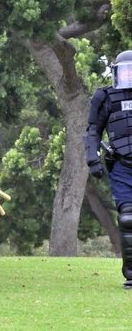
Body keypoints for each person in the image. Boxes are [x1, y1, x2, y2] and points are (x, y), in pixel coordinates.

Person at [84, 50, 132, 289]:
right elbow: (93, 130)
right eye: (126, 70)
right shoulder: (105, 97)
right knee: (128, 218)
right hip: (122, 166)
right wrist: (92, 159)